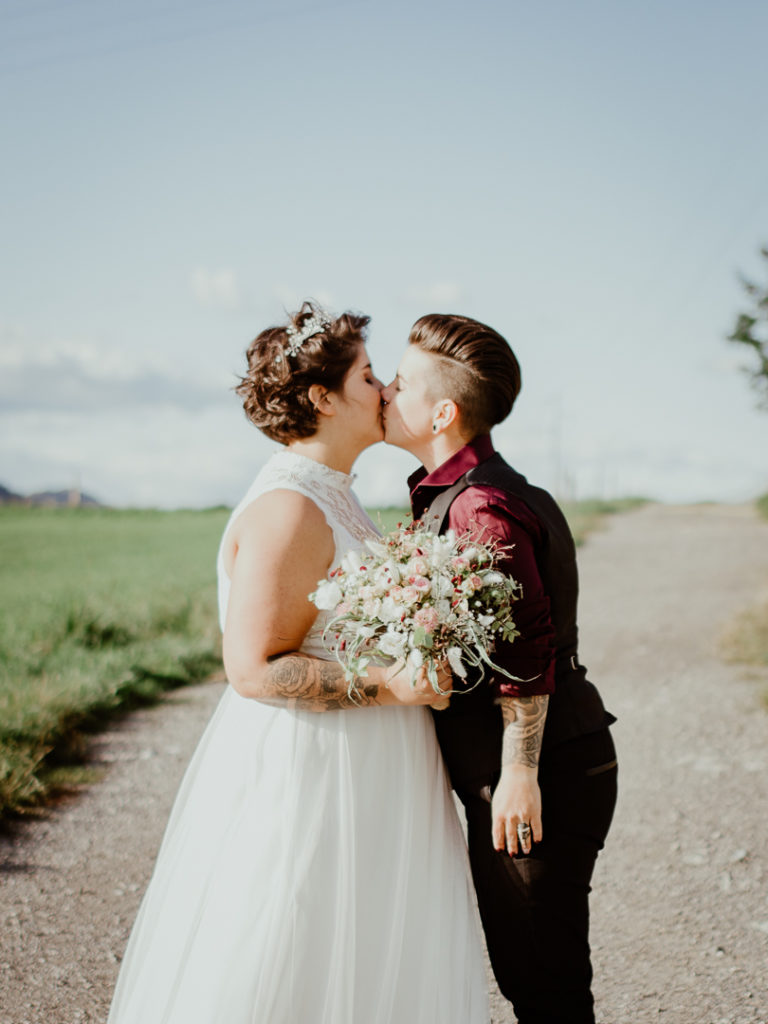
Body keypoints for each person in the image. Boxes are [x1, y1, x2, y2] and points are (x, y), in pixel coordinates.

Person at [107, 303, 489, 1024]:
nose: (385, 390)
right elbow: (253, 669)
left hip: (373, 769)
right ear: (322, 397)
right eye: (369, 376)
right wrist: (389, 683)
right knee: (296, 951)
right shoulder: (288, 508)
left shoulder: (334, 496)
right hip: (316, 774)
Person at [381, 312, 618, 1024]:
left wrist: (518, 774)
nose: (386, 391)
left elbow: (527, 650)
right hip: (550, 760)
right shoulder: (480, 489)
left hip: (542, 772)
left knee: (543, 983)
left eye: (400, 383)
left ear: (443, 414)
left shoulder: (481, 507)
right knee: (538, 975)